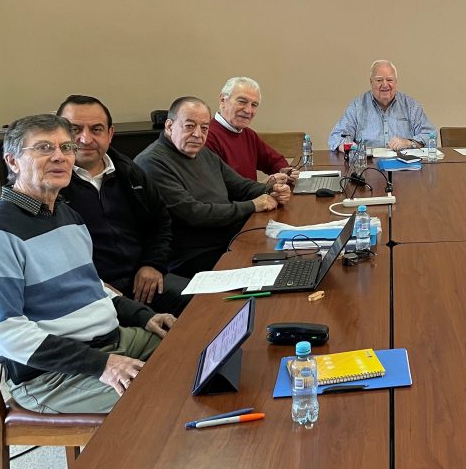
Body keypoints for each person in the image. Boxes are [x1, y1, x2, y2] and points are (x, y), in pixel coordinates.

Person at [0, 114, 175, 413]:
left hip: (109, 341)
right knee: (165, 398)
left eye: (66, 147)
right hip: (50, 375)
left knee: (191, 353)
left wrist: (142, 315)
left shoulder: (66, 215)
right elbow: (9, 335)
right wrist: (102, 364)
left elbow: (93, 287)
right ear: (12, 161)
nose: (60, 156)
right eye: (44, 148)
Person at [58, 95, 191, 316]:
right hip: (89, 293)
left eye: (96, 129)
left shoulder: (130, 173)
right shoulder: (51, 186)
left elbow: (161, 224)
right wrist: (97, 286)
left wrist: (152, 264)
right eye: (74, 130)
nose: (85, 139)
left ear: (110, 134)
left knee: (207, 305)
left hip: (144, 280)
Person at [135, 97, 290, 277]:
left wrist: (271, 189)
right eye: (189, 126)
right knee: (272, 273)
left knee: (291, 258)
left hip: (228, 237)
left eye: (204, 128)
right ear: (169, 126)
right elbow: (194, 213)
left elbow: (239, 186)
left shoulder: (202, 152)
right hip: (194, 255)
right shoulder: (152, 162)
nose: (198, 135)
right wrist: (253, 205)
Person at [205, 76, 297, 185]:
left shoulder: (248, 134)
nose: (248, 110)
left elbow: (274, 160)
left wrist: (283, 170)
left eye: (254, 105)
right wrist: (263, 186)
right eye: (242, 102)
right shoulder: (207, 137)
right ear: (223, 100)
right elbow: (219, 190)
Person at [327, 60, 435, 151]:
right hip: (367, 167)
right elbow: (335, 138)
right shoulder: (357, 106)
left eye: (389, 80)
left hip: (405, 167)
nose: (385, 85)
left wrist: (408, 142)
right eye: (379, 80)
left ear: (396, 82)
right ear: (371, 82)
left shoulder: (411, 106)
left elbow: (431, 135)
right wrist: (351, 147)